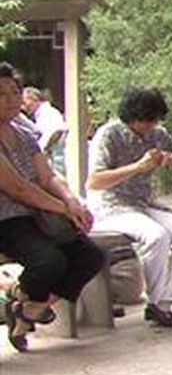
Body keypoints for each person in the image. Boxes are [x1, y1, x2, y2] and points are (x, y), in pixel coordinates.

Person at [0, 63, 105, 351]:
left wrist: (71, 200)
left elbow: (47, 176)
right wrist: (62, 208)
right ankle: (18, 295)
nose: (11, 99)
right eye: (1, 94)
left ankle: (27, 311)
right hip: (7, 219)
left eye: (15, 92)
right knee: (49, 261)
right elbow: (18, 190)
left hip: (38, 214)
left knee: (90, 256)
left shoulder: (22, 131)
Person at [88, 87, 172, 327]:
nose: (151, 125)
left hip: (144, 203)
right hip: (111, 206)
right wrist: (137, 167)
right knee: (157, 236)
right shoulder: (108, 135)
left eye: (155, 120)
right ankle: (156, 300)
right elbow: (95, 181)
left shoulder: (157, 134)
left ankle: (164, 303)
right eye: (147, 120)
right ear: (133, 118)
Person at [21, 87, 68, 175]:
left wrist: (42, 151)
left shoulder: (49, 113)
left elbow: (57, 131)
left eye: (24, 102)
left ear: (34, 99)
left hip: (56, 158)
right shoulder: (39, 116)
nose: (22, 107)